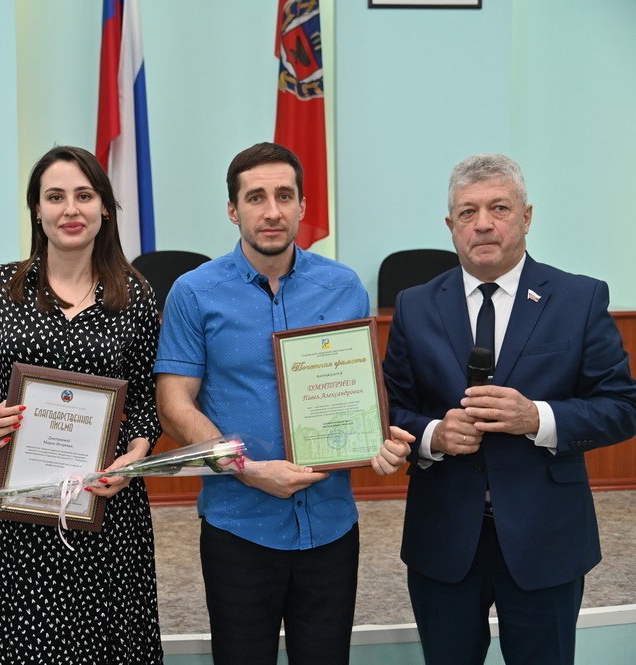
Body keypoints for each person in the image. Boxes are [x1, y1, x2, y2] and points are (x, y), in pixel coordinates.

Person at [155, 142, 413, 665]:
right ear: (233, 210)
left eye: (284, 196)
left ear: (302, 206)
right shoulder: (194, 292)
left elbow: (360, 391)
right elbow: (173, 403)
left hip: (331, 523)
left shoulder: (343, 287)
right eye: (256, 198)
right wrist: (247, 470)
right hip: (239, 525)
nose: (271, 211)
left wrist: (378, 439)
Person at [383, 153, 636, 665]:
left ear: (526, 216)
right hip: (443, 537)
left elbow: (622, 405)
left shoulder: (579, 298)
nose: (483, 223)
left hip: (546, 536)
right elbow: (393, 408)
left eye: (499, 208)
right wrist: (434, 434)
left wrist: (538, 418)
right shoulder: (414, 305)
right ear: (450, 226)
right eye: (468, 211)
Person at [0, 145, 163, 663]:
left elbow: (146, 400)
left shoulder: (137, 295)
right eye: (55, 197)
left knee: (105, 643)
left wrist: (135, 456)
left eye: (84, 196)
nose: (70, 209)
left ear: (105, 208)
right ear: (37, 209)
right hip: (19, 507)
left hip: (106, 504)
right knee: (19, 644)